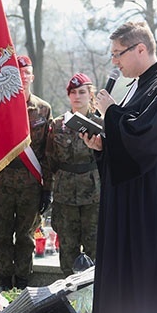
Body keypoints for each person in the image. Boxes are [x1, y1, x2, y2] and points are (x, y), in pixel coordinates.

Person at [81, 21, 157, 313]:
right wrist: (103, 147)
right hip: (139, 208)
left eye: (118, 53)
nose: (114, 61)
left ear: (141, 49)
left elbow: (144, 142)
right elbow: (128, 145)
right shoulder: (141, 86)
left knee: (153, 290)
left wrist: (111, 112)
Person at [0, 55, 53, 291]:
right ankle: (4, 286)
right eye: (17, 74)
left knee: (26, 236)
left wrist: (47, 189)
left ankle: (23, 285)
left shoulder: (43, 109)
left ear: (32, 77)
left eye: (26, 74)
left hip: (30, 183)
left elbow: (47, 152)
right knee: (2, 234)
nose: (22, 79)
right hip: (1, 183)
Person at [45, 73, 102, 276]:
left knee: (94, 246)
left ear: (90, 94)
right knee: (68, 248)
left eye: (82, 92)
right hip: (65, 195)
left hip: (93, 195)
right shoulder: (58, 125)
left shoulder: (101, 124)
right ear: (68, 96)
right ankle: (68, 296)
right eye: (73, 92)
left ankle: (94, 297)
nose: (77, 96)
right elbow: (50, 159)